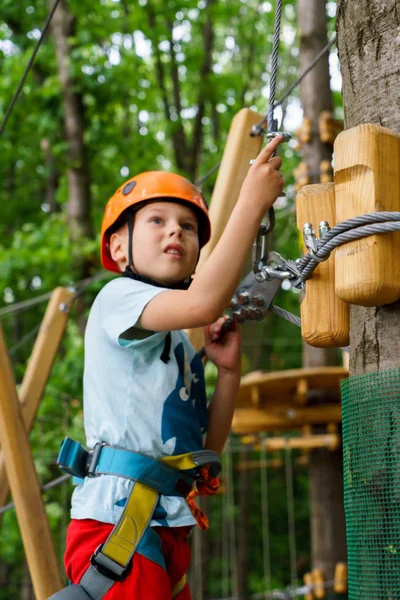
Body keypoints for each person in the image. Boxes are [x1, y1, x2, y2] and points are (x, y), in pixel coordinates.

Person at [62, 135, 284, 600]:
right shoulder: (116, 299)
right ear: (119, 248)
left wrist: (227, 374)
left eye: (188, 226)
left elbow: (206, 452)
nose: (175, 232)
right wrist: (251, 201)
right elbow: (205, 301)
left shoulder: (177, 344)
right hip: (116, 523)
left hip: (165, 526)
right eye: (157, 220)